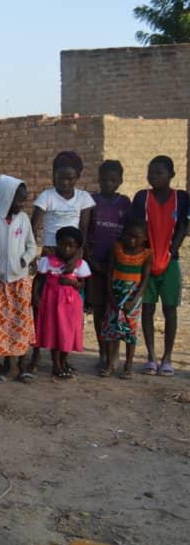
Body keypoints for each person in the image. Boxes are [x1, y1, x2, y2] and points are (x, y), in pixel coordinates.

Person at [29, 151, 95, 374]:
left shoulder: (83, 198)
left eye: (70, 178)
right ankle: (36, 355)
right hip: (50, 255)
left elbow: (83, 230)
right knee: (41, 307)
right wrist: (39, 250)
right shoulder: (46, 196)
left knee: (66, 312)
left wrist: (76, 257)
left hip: (72, 255)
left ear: (78, 177)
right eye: (60, 177)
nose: (65, 182)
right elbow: (33, 226)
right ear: (53, 175)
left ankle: (62, 356)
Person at [131, 155, 189, 376]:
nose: (153, 177)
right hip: (146, 261)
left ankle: (167, 357)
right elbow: (136, 227)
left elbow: (182, 227)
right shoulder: (142, 198)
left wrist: (170, 252)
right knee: (147, 307)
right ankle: (151, 356)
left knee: (170, 309)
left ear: (171, 175)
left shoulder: (181, 198)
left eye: (159, 173)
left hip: (170, 261)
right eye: (150, 172)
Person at [0, 175, 39, 383]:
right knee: (3, 322)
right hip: (0, 282)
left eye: (24, 200)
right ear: (6, 197)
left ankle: (22, 365)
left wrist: (25, 259)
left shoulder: (23, 219)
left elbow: (32, 245)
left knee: (21, 322)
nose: (22, 204)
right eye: (19, 200)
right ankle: (8, 365)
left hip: (21, 281)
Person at [86, 160, 132, 371]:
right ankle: (102, 352)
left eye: (113, 180)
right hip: (96, 265)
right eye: (104, 179)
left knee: (115, 310)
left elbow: (129, 235)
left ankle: (114, 353)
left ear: (120, 181)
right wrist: (91, 260)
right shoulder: (92, 201)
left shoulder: (125, 203)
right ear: (98, 179)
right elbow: (85, 231)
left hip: (118, 268)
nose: (108, 183)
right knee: (98, 310)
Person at [34, 227, 92, 379]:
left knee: (68, 332)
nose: (67, 249)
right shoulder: (48, 261)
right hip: (51, 302)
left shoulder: (80, 264)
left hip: (71, 305)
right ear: (57, 243)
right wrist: (35, 296)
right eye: (63, 245)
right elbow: (39, 279)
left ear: (77, 248)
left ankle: (64, 360)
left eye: (71, 246)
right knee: (55, 332)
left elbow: (82, 284)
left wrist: (72, 283)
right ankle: (56, 365)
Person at [99, 218, 151, 379]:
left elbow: (145, 280)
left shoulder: (147, 254)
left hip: (132, 299)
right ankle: (109, 364)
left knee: (130, 332)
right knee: (110, 330)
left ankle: (128, 365)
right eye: (129, 236)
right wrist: (111, 296)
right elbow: (109, 273)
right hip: (115, 296)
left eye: (136, 237)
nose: (132, 240)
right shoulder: (117, 249)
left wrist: (133, 301)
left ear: (145, 238)